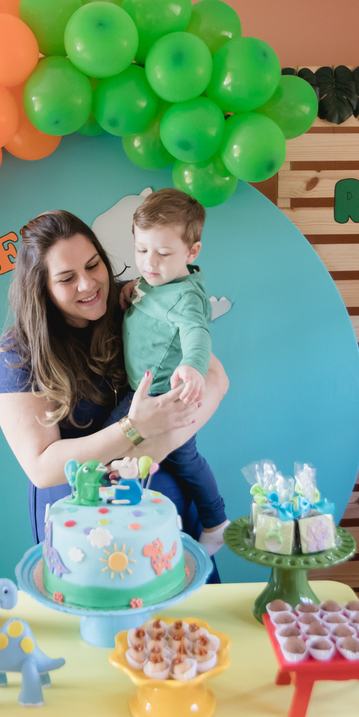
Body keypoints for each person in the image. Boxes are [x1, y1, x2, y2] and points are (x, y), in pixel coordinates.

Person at [0, 209, 229, 580]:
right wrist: (134, 429)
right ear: (42, 288)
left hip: (167, 520)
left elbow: (214, 377)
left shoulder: (134, 301)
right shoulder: (20, 356)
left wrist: (149, 452)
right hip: (84, 536)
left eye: (93, 265)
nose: (88, 285)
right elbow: (42, 467)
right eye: (67, 278)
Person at [105, 189, 228, 556]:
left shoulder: (185, 297)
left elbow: (196, 331)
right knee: (123, 450)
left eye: (162, 254)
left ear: (192, 253)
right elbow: (149, 294)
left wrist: (192, 365)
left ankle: (215, 521)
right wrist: (132, 289)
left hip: (166, 397)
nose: (149, 263)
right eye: (141, 250)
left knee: (182, 459)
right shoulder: (155, 281)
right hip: (140, 390)